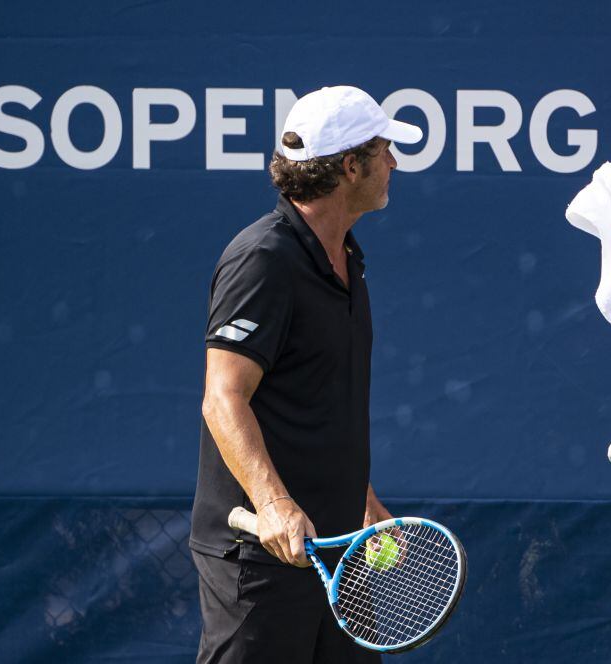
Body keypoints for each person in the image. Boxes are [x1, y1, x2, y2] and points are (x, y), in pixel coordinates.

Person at [189, 85, 424, 664]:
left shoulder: (348, 258)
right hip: (260, 559)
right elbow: (223, 399)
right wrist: (272, 504)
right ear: (349, 167)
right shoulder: (263, 259)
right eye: (384, 151)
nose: (394, 162)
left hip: (335, 554)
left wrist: (362, 500)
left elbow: (317, 402)